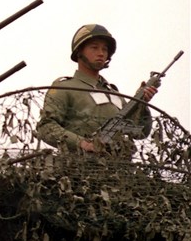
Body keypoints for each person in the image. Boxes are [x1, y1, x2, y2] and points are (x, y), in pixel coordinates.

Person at [36, 24, 157, 155]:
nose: (101, 53)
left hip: (120, 170)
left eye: (105, 50)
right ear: (79, 52)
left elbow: (140, 132)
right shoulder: (65, 88)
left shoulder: (114, 94)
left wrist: (142, 104)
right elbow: (45, 127)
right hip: (78, 168)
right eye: (94, 48)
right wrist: (82, 143)